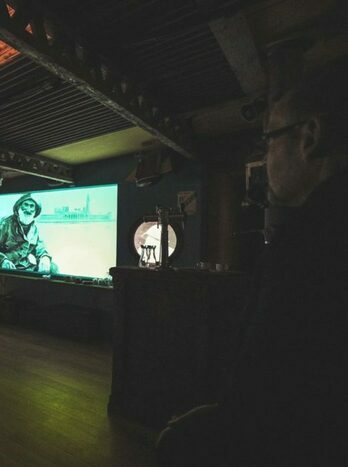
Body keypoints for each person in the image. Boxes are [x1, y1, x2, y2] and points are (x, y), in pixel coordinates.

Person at [156, 56, 348, 466]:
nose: (266, 154)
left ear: (309, 136)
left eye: (269, 140)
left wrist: (222, 420)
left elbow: (271, 385)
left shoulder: (309, 241)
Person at [0, 193, 56, 273]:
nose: (28, 209)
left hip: (25, 267)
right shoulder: (5, 224)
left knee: (53, 268)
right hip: (7, 267)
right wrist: (3, 260)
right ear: (18, 207)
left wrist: (45, 257)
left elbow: (40, 248)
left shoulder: (35, 229)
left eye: (32, 206)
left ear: (35, 211)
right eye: (26, 205)